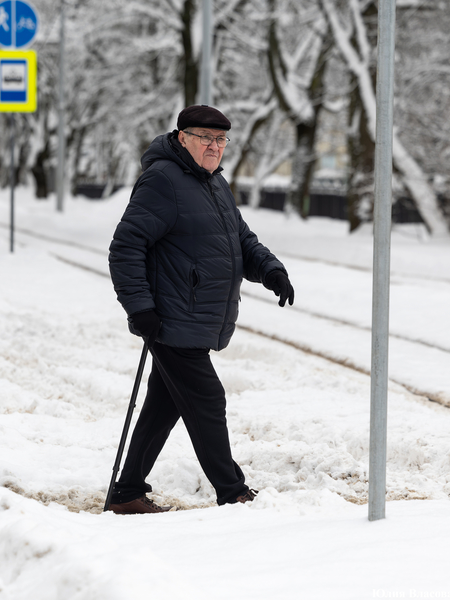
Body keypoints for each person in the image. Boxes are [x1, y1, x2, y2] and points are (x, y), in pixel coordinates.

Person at [107, 105, 295, 514]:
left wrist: (270, 270)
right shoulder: (162, 181)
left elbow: (239, 238)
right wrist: (140, 308)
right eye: (205, 138)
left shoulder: (212, 183)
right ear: (182, 138)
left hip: (193, 317)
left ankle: (127, 492)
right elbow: (126, 247)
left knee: (164, 403)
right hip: (171, 318)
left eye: (221, 139)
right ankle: (232, 490)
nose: (214, 146)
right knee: (208, 399)